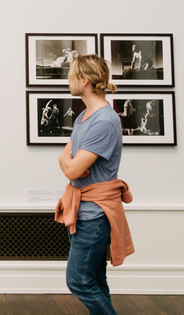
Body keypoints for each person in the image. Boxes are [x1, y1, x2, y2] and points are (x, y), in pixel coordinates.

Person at [55, 54, 134, 315]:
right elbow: (67, 160)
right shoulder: (84, 116)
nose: (67, 79)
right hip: (82, 209)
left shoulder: (103, 120)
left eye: (71, 74)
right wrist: (68, 161)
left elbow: (72, 167)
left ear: (85, 80)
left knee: (78, 280)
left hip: (95, 213)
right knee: (95, 280)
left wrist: (68, 161)